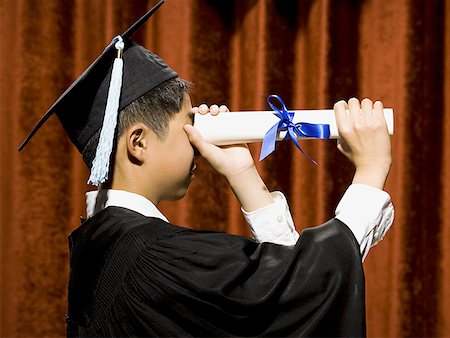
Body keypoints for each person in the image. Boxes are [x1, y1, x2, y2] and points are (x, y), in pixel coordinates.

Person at [19, 3, 393, 337]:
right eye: (188, 120)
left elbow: (276, 300)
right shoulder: (150, 257)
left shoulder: (101, 242)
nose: (198, 134)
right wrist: (371, 170)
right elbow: (304, 292)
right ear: (138, 143)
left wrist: (244, 175)